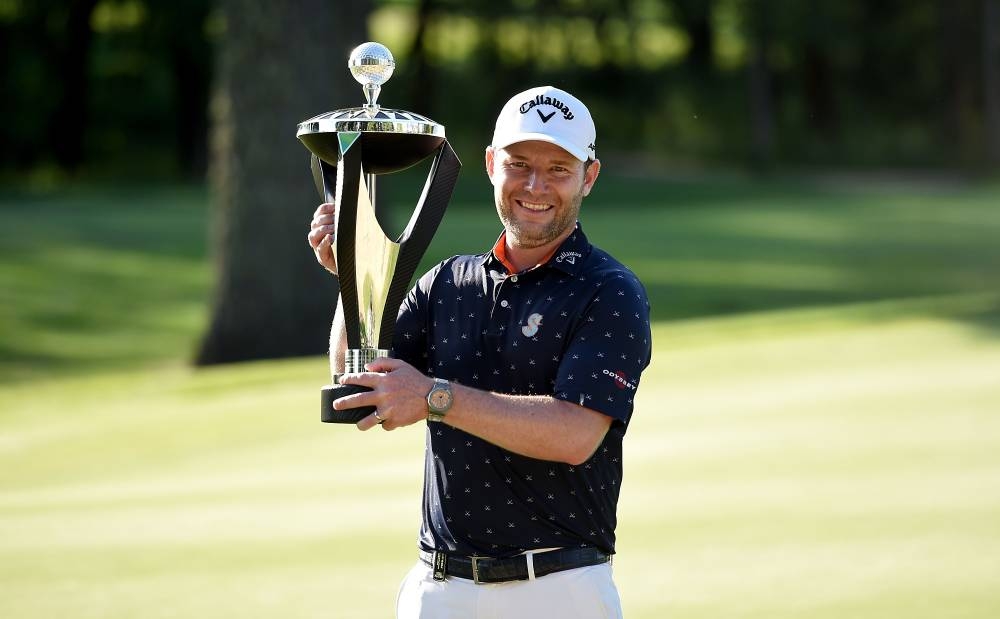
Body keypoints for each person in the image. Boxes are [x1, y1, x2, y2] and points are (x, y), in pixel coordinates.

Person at [307, 85, 652, 619]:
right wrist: (352, 279)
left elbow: (576, 434)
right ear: (492, 165)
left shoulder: (608, 290)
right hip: (440, 590)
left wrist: (434, 397)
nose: (535, 186)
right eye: (519, 164)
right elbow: (359, 382)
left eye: (559, 168)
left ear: (589, 176)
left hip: (559, 591)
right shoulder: (449, 281)